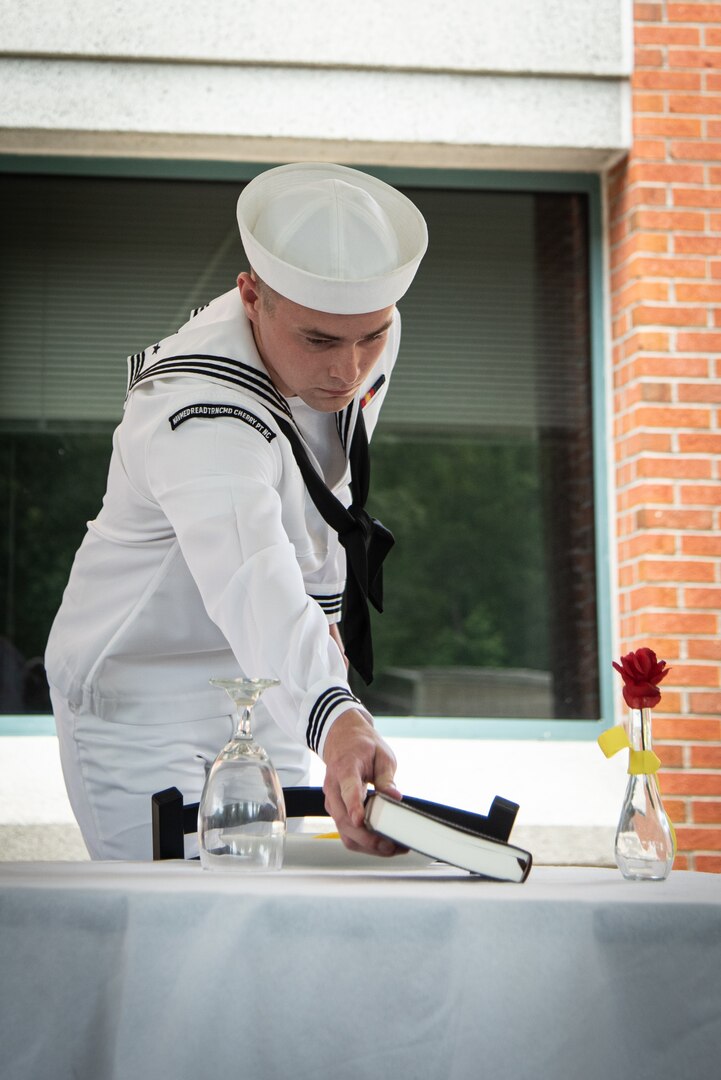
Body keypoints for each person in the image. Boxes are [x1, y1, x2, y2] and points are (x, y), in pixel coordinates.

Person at [45, 162, 428, 860]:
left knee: (266, 919)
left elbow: (320, 492)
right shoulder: (197, 413)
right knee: (175, 929)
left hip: (268, 682)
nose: (348, 371)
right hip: (140, 694)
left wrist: (328, 630)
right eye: (319, 341)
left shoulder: (365, 336)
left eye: (368, 336)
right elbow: (252, 572)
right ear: (251, 295)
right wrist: (337, 713)